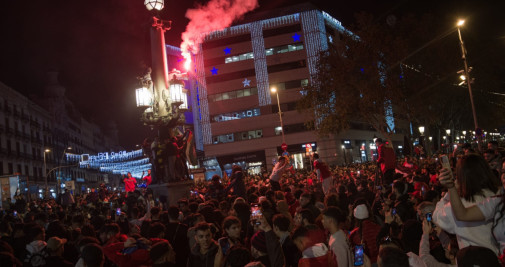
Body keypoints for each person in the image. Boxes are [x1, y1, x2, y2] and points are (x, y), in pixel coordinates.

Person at [438, 158, 505, 263]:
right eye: (503, 171)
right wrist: (451, 187)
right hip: (491, 260)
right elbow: (462, 214)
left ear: (461, 177)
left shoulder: (496, 198)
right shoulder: (496, 200)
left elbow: (437, 217)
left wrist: (448, 194)